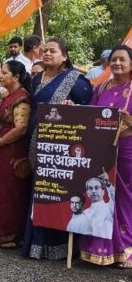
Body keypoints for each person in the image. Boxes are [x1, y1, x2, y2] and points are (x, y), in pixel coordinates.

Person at [22, 37, 93, 260]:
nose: (47, 54)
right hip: (35, 138)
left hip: (60, 144)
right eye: (45, 50)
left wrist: (73, 108)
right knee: (38, 188)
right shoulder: (36, 78)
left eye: (52, 51)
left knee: (55, 190)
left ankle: (57, 245)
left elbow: (88, 111)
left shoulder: (77, 81)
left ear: (65, 56)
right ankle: (35, 242)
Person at [80, 45, 132, 267]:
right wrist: (71, 108)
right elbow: (89, 115)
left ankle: (125, 250)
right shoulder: (101, 88)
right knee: (101, 197)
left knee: (123, 198)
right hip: (101, 150)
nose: (117, 63)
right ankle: (98, 250)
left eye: (122, 59)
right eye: (114, 59)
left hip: (127, 149)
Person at [0, 60, 31, 247]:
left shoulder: (22, 98)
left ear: (16, 77)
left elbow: (21, 128)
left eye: (4, 73)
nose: (0, 76)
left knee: (9, 192)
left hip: (12, 151)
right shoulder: (8, 95)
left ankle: (10, 234)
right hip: (2, 151)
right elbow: (0, 120)